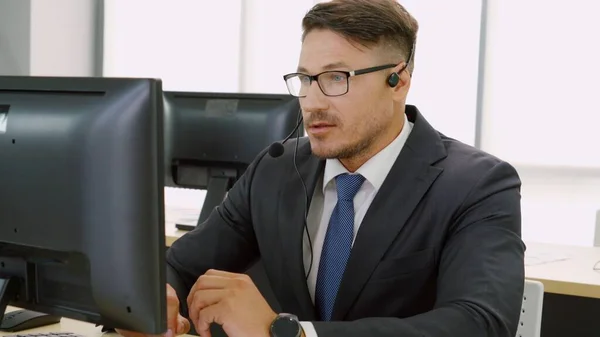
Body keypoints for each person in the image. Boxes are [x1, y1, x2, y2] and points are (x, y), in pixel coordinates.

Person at [119, 0, 525, 336]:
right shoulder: (276, 169)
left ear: (398, 81)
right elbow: (179, 266)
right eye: (305, 79)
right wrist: (157, 302)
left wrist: (294, 333)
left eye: (336, 78)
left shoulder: (477, 184)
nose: (312, 101)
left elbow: (480, 323)